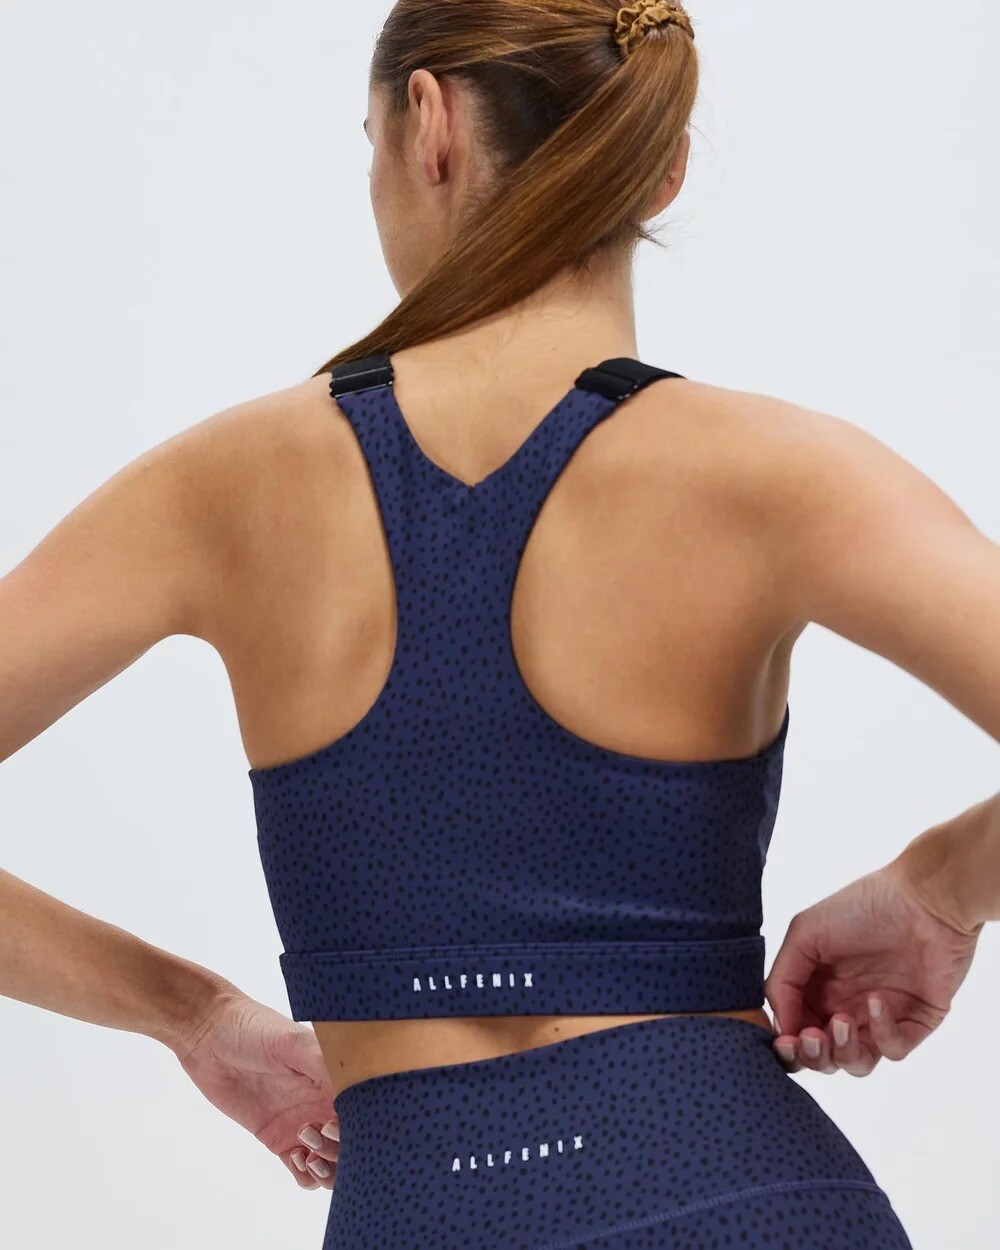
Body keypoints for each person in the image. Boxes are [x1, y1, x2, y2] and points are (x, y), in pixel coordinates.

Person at [1, 2, 997, 1246]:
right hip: (747, 1195)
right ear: (664, 167)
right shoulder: (781, 473)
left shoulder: (220, 488)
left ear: (428, 126)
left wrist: (186, 1009)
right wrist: (941, 885)